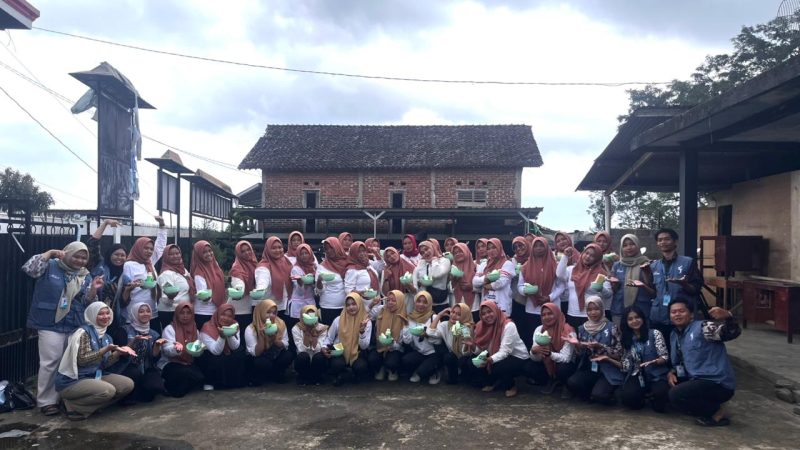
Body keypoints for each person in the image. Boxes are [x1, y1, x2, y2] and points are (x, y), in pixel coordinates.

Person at [23, 242, 103, 416]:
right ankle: (46, 401)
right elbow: (30, 269)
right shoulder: (51, 266)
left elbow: (87, 303)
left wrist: (93, 291)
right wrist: (50, 252)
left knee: (69, 362)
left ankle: (64, 397)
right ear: (67, 253)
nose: (80, 261)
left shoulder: (86, 275)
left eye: (84, 258)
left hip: (74, 322)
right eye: (76, 256)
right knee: (50, 362)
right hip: (49, 322)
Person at [54, 302, 135, 420]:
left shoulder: (106, 336)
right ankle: (71, 406)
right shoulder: (83, 332)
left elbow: (105, 363)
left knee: (127, 385)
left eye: (107, 313)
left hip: (94, 375)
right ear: (92, 315)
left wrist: (119, 352)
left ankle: (90, 407)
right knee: (108, 390)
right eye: (100, 314)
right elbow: (82, 360)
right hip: (73, 380)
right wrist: (105, 350)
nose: (105, 316)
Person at [667, 298, 740, 427]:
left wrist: (728, 316)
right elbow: (679, 360)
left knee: (676, 395)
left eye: (681, 311)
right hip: (695, 379)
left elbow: (729, 333)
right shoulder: (674, 335)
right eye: (673, 312)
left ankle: (716, 412)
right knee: (662, 389)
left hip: (716, 382)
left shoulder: (702, 327)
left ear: (691, 315)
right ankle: (708, 404)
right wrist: (671, 372)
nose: (677, 314)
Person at [565, 297, 624, 404]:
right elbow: (580, 355)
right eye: (589, 309)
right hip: (590, 368)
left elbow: (619, 353)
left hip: (607, 368)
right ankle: (590, 395)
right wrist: (578, 345)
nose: (593, 312)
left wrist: (601, 347)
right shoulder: (582, 329)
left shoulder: (612, 327)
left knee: (600, 395)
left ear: (602, 309)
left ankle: (611, 394)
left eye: (596, 309)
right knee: (572, 382)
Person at [649, 228, 704, 339]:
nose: (663, 242)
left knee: (682, 349)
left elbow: (697, 288)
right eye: (660, 240)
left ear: (675, 241)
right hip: (659, 316)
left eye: (667, 239)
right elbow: (653, 291)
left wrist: (684, 284)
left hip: (681, 316)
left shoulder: (688, 262)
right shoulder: (653, 266)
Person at [468, 301, 529, 398]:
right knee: (472, 361)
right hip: (496, 354)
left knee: (500, 366)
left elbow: (505, 351)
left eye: (489, 311)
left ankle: (511, 385)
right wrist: (473, 346)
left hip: (517, 356)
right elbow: (482, 350)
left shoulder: (508, 326)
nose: (487, 315)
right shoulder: (482, 326)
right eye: (483, 314)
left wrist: (489, 360)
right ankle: (495, 380)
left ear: (496, 310)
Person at [619, 305, 669, 412]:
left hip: (656, 373)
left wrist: (654, 361)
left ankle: (653, 397)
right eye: (630, 319)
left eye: (637, 317)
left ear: (643, 318)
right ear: (626, 322)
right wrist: (608, 359)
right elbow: (625, 365)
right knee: (629, 399)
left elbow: (665, 357)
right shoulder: (626, 339)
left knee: (660, 405)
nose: (634, 321)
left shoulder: (654, 333)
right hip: (637, 374)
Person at [85, 218, 126, 344]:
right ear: (109, 255)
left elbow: (123, 303)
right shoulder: (99, 265)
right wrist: (105, 223)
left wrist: (128, 290)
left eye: (122, 255)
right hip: (93, 314)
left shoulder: (125, 275)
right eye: (116, 254)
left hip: (112, 319)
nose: (119, 258)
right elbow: (93, 243)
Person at [122, 219, 167, 330]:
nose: (149, 251)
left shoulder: (150, 262)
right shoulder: (129, 265)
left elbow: (160, 245)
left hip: (152, 311)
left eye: (151, 249)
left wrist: (162, 225)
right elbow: (126, 287)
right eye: (145, 248)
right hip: (135, 312)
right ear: (138, 248)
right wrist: (135, 285)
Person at [554, 243, 612, 329]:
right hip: (573, 314)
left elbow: (609, 295)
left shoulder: (601, 273)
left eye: (592, 255)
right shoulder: (572, 270)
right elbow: (559, 274)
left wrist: (601, 288)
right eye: (586, 253)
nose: (588, 257)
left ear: (597, 258)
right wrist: (565, 256)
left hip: (593, 316)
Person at [526, 303, 577, 395]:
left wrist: (550, 354)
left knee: (562, 369)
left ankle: (564, 384)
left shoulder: (568, 331)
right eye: (543, 315)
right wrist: (534, 352)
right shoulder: (539, 329)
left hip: (565, 364)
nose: (547, 317)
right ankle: (550, 379)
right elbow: (536, 358)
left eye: (550, 313)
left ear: (557, 313)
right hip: (547, 363)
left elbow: (566, 358)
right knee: (529, 367)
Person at [517, 237, 560, 345]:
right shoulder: (526, 266)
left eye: (541, 246)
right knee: (534, 338)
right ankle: (536, 359)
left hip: (551, 307)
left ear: (546, 247)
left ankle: (551, 359)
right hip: (532, 308)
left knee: (551, 338)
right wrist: (525, 291)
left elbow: (562, 286)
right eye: (536, 246)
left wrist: (549, 297)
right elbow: (520, 285)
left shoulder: (555, 265)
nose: (539, 248)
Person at [158, 302, 205, 398]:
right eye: (182, 313)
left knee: (200, 377)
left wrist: (199, 350)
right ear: (177, 314)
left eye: (188, 313)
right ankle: (166, 385)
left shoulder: (194, 329)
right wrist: (176, 349)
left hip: (188, 361)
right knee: (183, 378)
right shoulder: (170, 329)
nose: (185, 316)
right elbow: (166, 349)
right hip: (170, 362)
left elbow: (197, 345)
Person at [120, 302, 165, 403]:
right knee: (135, 373)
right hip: (127, 368)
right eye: (141, 312)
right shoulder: (124, 331)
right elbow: (120, 355)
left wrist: (157, 346)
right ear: (135, 314)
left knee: (157, 387)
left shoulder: (154, 333)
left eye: (148, 311)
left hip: (146, 368)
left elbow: (154, 358)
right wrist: (133, 342)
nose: (145, 314)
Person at [322, 293, 371, 385]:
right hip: (339, 350)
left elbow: (364, 346)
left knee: (361, 367)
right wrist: (324, 347)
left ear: (359, 304)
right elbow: (329, 338)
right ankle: (346, 374)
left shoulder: (366, 322)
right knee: (337, 365)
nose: (351, 307)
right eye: (348, 305)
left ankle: (345, 375)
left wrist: (362, 332)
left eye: (354, 304)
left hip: (357, 351)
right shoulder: (338, 319)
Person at [198, 303, 247, 390]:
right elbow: (215, 351)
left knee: (239, 353)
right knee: (215, 358)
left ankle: (233, 382)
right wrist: (222, 337)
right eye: (223, 315)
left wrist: (229, 333)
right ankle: (211, 381)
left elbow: (235, 347)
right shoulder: (207, 327)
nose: (226, 318)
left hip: (226, 352)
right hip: (212, 355)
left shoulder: (234, 325)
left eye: (229, 316)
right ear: (218, 314)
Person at [245, 300, 293, 385]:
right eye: (268, 312)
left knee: (287, 355)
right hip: (260, 355)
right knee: (261, 363)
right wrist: (261, 336)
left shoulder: (280, 324)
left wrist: (274, 339)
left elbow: (285, 344)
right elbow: (256, 353)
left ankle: (277, 375)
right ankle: (262, 376)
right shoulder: (251, 328)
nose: (271, 315)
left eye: (274, 313)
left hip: (275, 353)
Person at [609, 234, 654, 326]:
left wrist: (646, 273)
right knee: (620, 339)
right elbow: (614, 291)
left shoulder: (648, 264)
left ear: (637, 245)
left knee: (642, 338)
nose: (629, 247)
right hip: (619, 310)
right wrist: (614, 284)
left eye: (632, 244)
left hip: (641, 310)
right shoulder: (617, 265)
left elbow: (653, 290)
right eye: (625, 245)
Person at [427, 302, 474, 384]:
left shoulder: (466, 328)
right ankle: (453, 378)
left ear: (464, 316)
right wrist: (439, 315)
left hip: (465, 356)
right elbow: (431, 333)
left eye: (458, 314)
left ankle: (466, 377)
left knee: (462, 361)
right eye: (453, 312)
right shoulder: (446, 325)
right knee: (448, 356)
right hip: (454, 354)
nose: (454, 315)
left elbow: (465, 353)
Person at [401, 291, 442, 384]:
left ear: (429, 303)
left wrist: (427, 335)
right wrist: (406, 326)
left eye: (425, 302)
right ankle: (419, 370)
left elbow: (439, 341)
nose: (421, 304)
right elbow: (407, 341)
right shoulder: (411, 318)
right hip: (419, 352)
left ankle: (435, 372)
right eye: (418, 301)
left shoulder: (434, 317)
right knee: (406, 360)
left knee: (424, 371)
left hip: (433, 353)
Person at [367, 290, 408, 381]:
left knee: (392, 362)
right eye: (388, 300)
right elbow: (366, 314)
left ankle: (392, 370)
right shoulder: (381, 309)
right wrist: (372, 304)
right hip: (380, 346)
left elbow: (404, 342)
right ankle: (380, 367)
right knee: (372, 359)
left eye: (394, 300)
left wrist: (392, 343)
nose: (390, 303)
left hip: (396, 348)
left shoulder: (404, 315)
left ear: (400, 301)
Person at [157, 244, 194, 331]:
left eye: (177, 253)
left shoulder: (183, 270)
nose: (175, 256)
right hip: (170, 312)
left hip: (183, 311)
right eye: (171, 254)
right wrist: (170, 297)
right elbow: (165, 298)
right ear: (166, 257)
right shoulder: (166, 274)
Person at [473, 238, 515, 314]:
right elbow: (474, 281)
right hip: (486, 306)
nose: (491, 251)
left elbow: (501, 282)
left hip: (501, 306)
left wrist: (488, 285)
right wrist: (485, 279)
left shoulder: (507, 264)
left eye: (494, 247)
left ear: (499, 248)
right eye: (488, 249)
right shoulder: (484, 264)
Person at [255, 236, 293, 321]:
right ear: (268, 249)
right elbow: (262, 282)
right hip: (268, 310)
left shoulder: (286, 262)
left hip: (284, 306)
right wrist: (260, 289)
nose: (277, 250)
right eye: (273, 248)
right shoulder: (263, 267)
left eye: (280, 247)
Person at [190, 240, 226, 329]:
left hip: (215, 310)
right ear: (198, 255)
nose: (208, 254)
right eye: (204, 252)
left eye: (210, 251)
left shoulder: (214, 265)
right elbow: (202, 293)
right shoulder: (199, 271)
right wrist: (206, 296)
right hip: (204, 312)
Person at [292, 305, 329, 385]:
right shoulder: (296, 328)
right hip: (304, 359)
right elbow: (301, 349)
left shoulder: (322, 328)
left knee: (319, 357)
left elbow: (318, 349)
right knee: (303, 356)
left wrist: (315, 335)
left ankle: (317, 378)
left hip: (316, 358)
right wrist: (306, 333)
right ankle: (303, 377)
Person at [316, 237, 349, 325]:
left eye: (331, 248)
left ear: (337, 247)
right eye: (326, 249)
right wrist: (319, 280)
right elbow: (319, 291)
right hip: (327, 306)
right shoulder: (322, 266)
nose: (329, 251)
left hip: (346, 306)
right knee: (329, 334)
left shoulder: (348, 262)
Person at [413, 239, 451, 313]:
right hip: (425, 304)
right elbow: (416, 281)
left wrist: (434, 261)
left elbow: (436, 274)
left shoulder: (445, 261)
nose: (425, 253)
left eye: (427, 249)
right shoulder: (422, 263)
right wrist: (419, 282)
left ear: (432, 248)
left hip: (441, 302)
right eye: (422, 252)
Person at [289, 243, 318, 336]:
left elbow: (317, 289)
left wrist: (316, 281)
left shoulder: (314, 267)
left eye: (306, 253)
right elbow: (299, 291)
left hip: (310, 302)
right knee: (298, 330)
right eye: (302, 254)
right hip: (298, 303)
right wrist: (300, 282)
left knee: (311, 328)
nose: (304, 256)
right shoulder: (295, 269)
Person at [228, 241, 257, 330]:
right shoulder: (236, 267)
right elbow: (238, 281)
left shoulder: (254, 264)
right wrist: (239, 290)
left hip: (250, 306)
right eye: (243, 251)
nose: (247, 253)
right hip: (238, 309)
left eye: (248, 249)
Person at [509, 237, 532, 347]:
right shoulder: (513, 261)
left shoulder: (534, 259)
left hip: (534, 301)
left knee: (531, 330)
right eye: (515, 247)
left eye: (521, 245)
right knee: (519, 329)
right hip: (518, 300)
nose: (518, 249)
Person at [450, 243, 479, 322]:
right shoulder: (451, 268)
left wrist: (472, 287)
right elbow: (448, 289)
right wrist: (454, 282)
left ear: (466, 251)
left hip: (474, 306)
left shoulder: (476, 267)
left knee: (472, 328)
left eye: (460, 251)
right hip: (456, 306)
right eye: (455, 253)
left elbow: (482, 286)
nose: (458, 254)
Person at [554, 231, 579, 311]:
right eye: (558, 241)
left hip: (573, 297)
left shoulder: (578, 256)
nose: (561, 242)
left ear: (569, 240)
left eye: (563, 239)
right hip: (556, 297)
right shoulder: (552, 257)